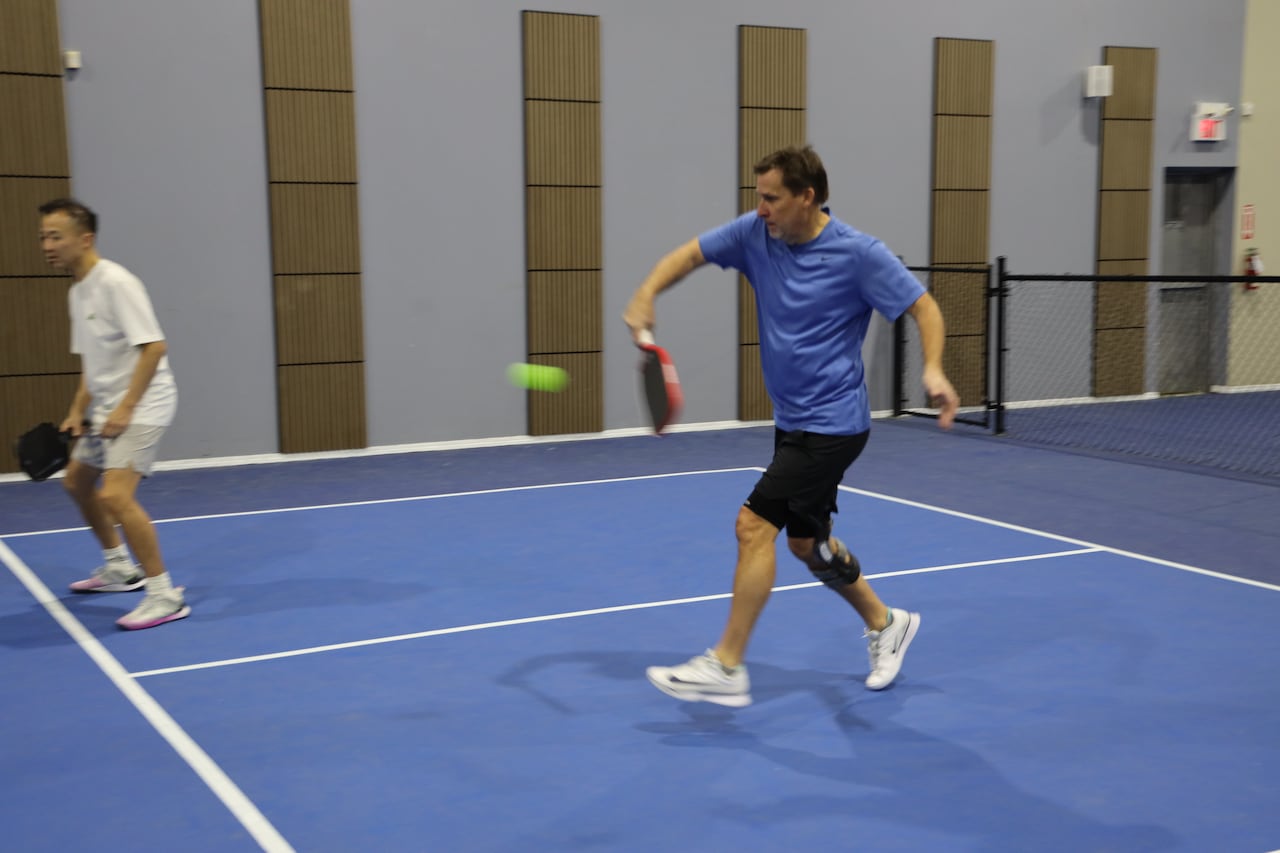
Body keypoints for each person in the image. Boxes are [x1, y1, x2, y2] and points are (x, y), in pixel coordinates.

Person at [623, 146, 959, 707]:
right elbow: (689, 254)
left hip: (834, 424)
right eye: (758, 197)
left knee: (753, 526)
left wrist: (932, 366)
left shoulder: (858, 254)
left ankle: (727, 666)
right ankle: (887, 623)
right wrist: (646, 293)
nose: (761, 209)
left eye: (772, 198)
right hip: (795, 421)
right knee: (808, 545)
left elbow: (924, 308)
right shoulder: (757, 234)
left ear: (807, 197)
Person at [38, 198, 188, 630]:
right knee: (77, 481)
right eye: (43, 237)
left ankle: (163, 596)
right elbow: (94, 361)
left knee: (116, 496)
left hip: (145, 402)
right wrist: (76, 410)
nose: (47, 245)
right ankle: (120, 568)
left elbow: (155, 347)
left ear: (85, 239)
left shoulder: (117, 283)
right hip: (108, 406)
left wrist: (125, 408)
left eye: (55, 236)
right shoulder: (77, 290)